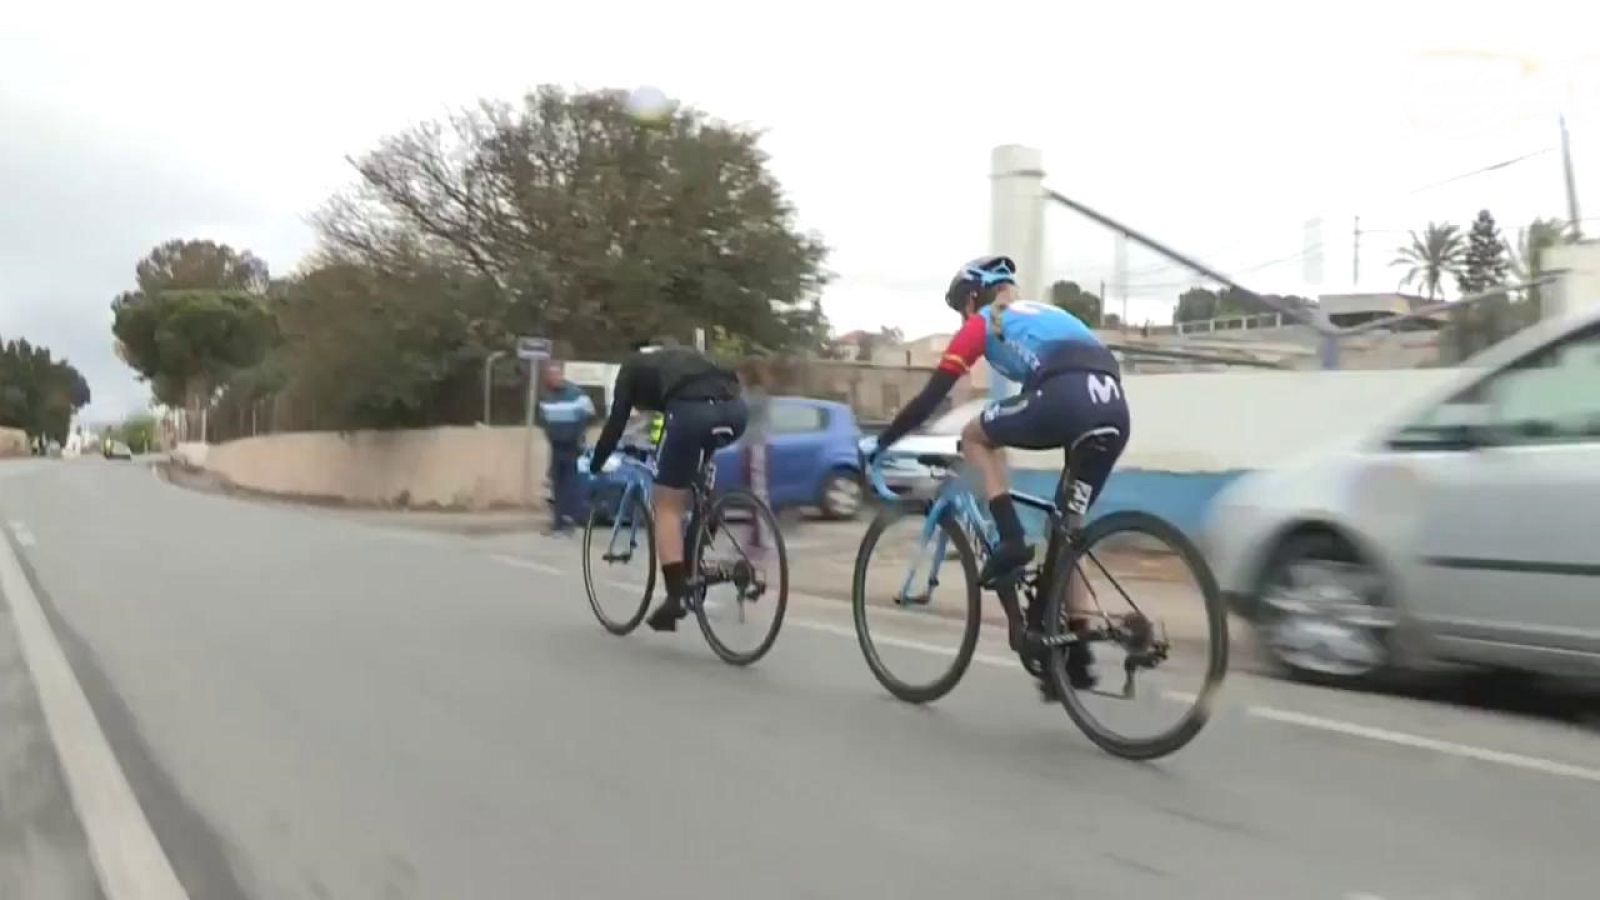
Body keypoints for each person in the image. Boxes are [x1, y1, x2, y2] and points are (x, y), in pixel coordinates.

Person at [861, 255, 1130, 696]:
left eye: (960, 309)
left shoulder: (984, 321)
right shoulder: (1050, 315)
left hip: (1066, 397)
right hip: (1113, 408)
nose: (962, 318)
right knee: (1066, 527)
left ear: (972, 298)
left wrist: (884, 441)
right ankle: (1075, 653)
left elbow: (933, 395)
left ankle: (1009, 539)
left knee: (974, 436)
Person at [589, 337, 747, 631]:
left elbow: (616, 422)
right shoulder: (683, 356)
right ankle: (704, 525)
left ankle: (676, 595)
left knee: (666, 503)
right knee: (693, 479)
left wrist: (596, 463)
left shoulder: (631, 366)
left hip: (692, 413)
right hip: (736, 409)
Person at [537, 362, 596, 535]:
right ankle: (557, 522)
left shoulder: (576, 394)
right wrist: (550, 434)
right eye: (550, 375)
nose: (553, 378)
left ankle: (569, 521)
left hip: (573, 445)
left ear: (562, 375)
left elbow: (591, 416)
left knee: (571, 484)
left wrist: (578, 433)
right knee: (557, 484)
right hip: (556, 445)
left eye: (556, 374)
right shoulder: (546, 396)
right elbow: (541, 419)